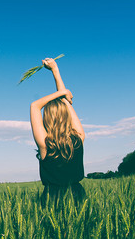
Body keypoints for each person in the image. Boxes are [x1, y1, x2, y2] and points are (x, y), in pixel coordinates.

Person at [30, 57, 86, 206]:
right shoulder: (79, 137)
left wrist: (62, 92)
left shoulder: (44, 143)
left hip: (52, 199)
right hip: (78, 197)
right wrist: (55, 70)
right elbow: (65, 101)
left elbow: (35, 106)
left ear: (46, 118)